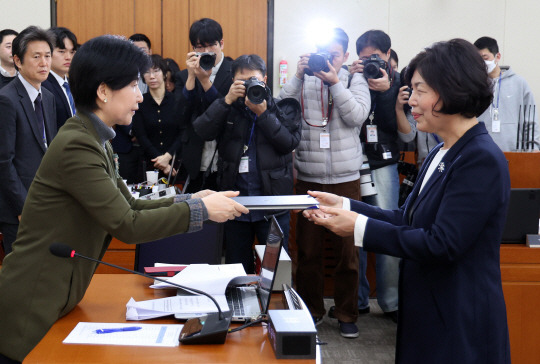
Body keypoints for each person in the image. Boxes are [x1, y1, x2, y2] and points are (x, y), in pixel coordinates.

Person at [0, 35, 248, 363]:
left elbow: (129, 205)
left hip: (58, 297)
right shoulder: (78, 144)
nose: (139, 95)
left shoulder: (95, 138)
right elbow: (127, 224)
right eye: (133, 85)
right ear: (103, 91)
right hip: (33, 303)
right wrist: (200, 211)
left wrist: (190, 199)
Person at [304, 38, 511, 363]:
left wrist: (359, 228)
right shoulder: (442, 151)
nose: (411, 101)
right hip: (429, 313)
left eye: (420, 90)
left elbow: (442, 244)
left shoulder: (480, 158)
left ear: (451, 90)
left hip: (459, 323)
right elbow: (406, 219)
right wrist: (345, 205)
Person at [278, 27, 371, 338]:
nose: (327, 61)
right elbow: (280, 112)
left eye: (333, 56)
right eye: (323, 54)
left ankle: (347, 314)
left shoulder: (354, 78)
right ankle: (311, 311)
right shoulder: (304, 78)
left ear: (345, 56)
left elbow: (356, 116)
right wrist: (297, 76)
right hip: (308, 175)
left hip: (346, 178)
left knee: (348, 251)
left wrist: (334, 82)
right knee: (308, 250)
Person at [193, 54, 301, 273]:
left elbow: (288, 143)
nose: (249, 85)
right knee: (236, 268)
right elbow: (202, 131)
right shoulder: (228, 109)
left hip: (273, 205)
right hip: (235, 205)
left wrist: (263, 114)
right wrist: (226, 100)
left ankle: (275, 307)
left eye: (254, 80)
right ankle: (239, 306)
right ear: (233, 82)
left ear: (265, 79)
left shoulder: (284, 108)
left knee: (276, 268)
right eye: (242, 81)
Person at [350, 29, 401, 322]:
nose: (371, 64)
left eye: (376, 58)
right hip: (353, 162)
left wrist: (384, 92)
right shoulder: (351, 77)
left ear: (388, 55)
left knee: (389, 229)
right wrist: (352, 77)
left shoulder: (398, 82)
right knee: (353, 229)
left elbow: (394, 126)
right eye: (364, 58)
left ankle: (391, 301)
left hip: (384, 162)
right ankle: (357, 300)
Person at [0, 26, 57, 256]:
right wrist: (23, 208)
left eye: (47, 56)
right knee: (21, 278)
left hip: (47, 205)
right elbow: (4, 162)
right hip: (19, 211)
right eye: (36, 57)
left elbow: (49, 150)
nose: (44, 63)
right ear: (18, 61)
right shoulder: (6, 100)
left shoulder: (49, 97)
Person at [178, 18, 233, 193]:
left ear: (221, 44)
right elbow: (180, 117)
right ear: (193, 49)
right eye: (200, 47)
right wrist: (191, 77)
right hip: (195, 158)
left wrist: (205, 81)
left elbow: (225, 112)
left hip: (225, 156)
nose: (206, 51)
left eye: (211, 45)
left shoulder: (234, 71)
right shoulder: (184, 76)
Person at [474, 36, 538, 151]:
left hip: (514, 153)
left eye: (485, 57)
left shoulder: (519, 83)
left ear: (497, 56)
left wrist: (533, 148)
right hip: (481, 153)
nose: (482, 63)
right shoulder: (475, 86)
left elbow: (531, 121)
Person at [132, 54, 182, 178]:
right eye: (147, 72)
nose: (152, 76)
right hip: (149, 165)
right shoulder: (140, 102)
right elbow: (141, 136)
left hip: (175, 163)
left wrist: (168, 156)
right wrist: (162, 163)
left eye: (156, 71)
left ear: (165, 74)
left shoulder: (177, 101)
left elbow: (183, 133)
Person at [42, 27, 78, 129]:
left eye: (72, 52)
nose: (68, 57)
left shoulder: (73, 84)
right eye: (62, 51)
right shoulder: (43, 85)